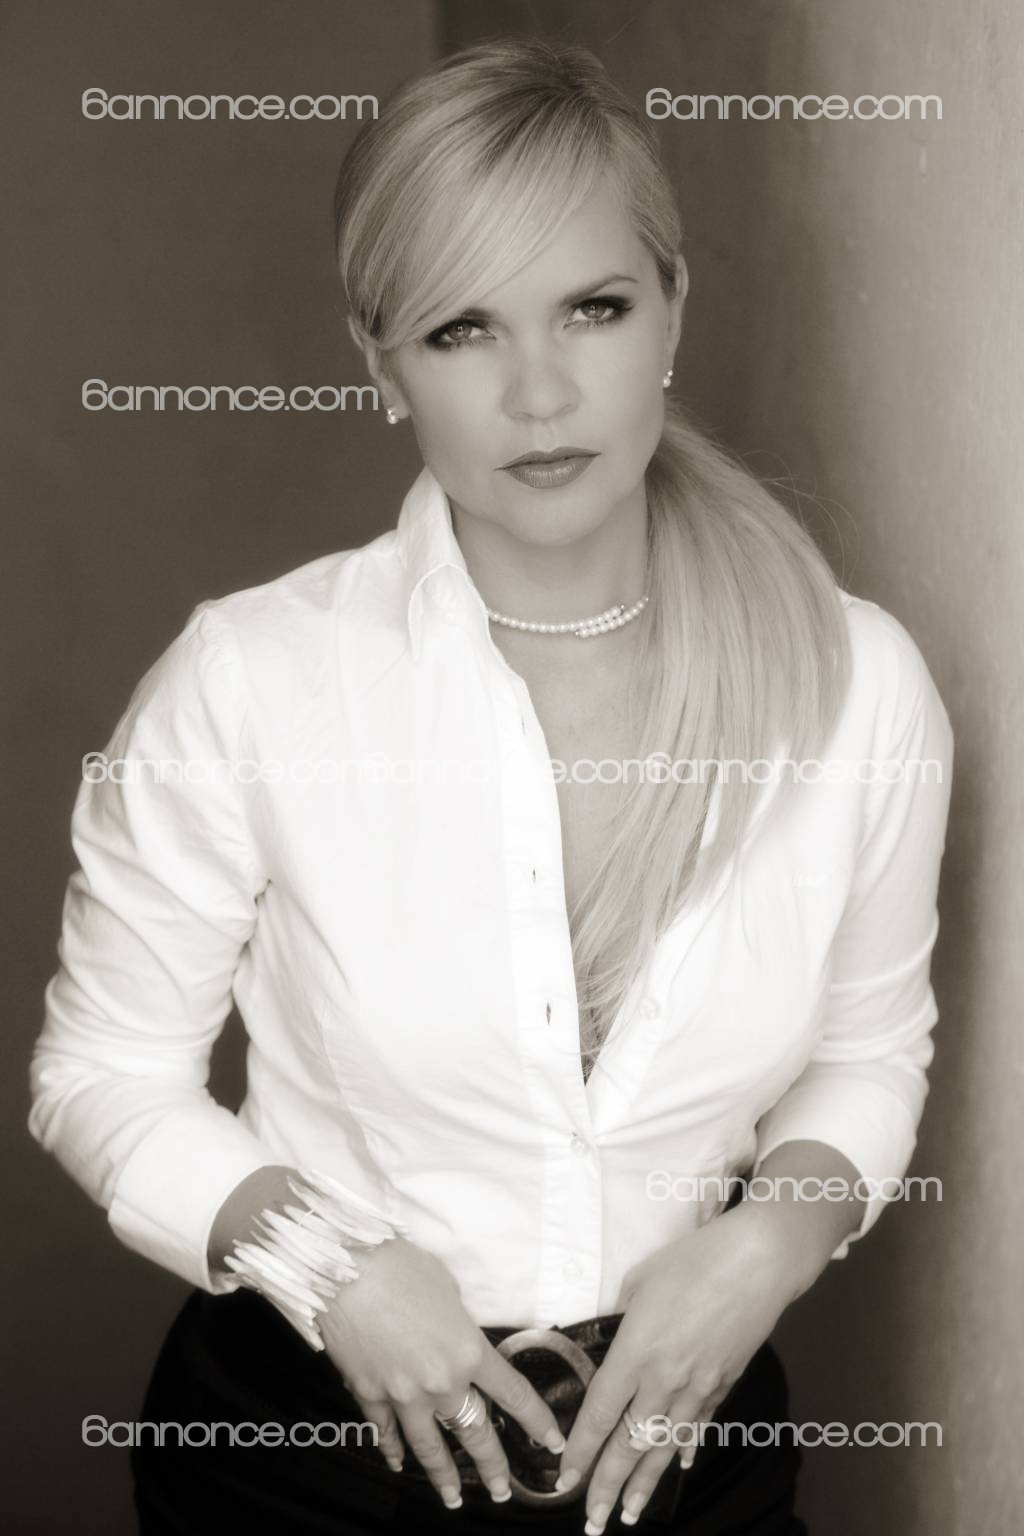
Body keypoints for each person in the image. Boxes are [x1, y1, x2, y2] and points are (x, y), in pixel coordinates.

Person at [29, 37, 953, 1536]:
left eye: (595, 307)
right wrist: (331, 1268)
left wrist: (766, 1247)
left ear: (673, 308)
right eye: (462, 329)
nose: (539, 392)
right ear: (378, 359)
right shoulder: (253, 680)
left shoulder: (859, 686)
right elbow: (103, 1075)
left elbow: (870, 1048)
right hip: (301, 1461)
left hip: (691, 1452)